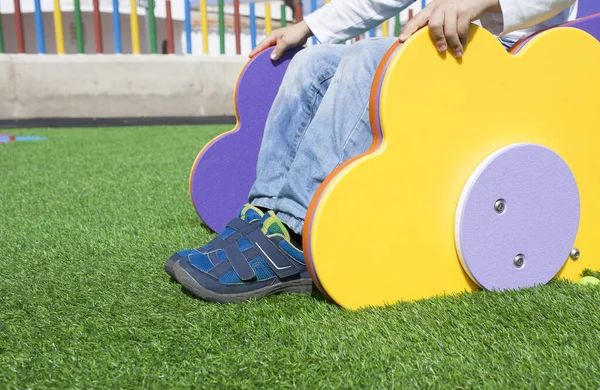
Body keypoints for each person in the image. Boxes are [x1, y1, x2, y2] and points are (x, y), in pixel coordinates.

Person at [166, 0, 578, 303]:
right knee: (313, 63)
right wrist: (310, 26)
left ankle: (294, 229)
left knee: (369, 60)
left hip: (515, 59)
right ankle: (266, 217)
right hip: (448, 49)